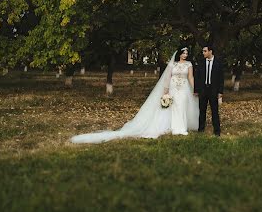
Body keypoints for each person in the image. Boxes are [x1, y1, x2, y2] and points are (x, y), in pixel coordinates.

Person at [70, 48, 199, 143]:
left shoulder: (189, 64)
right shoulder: (173, 64)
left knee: (181, 106)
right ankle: (174, 127)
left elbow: (190, 77)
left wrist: (194, 89)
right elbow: (167, 78)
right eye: (184, 53)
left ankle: (181, 128)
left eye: (187, 53)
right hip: (172, 87)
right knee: (173, 107)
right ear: (179, 54)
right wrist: (165, 91)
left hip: (183, 88)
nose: (185, 55)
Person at [194, 46, 224, 136]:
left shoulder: (218, 63)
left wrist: (220, 92)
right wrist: (196, 90)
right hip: (203, 90)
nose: (203, 53)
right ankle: (201, 130)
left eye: (205, 51)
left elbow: (221, 79)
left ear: (210, 51)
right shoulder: (201, 62)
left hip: (213, 90)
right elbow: (197, 77)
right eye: (203, 51)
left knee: (214, 111)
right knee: (202, 110)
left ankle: (217, 131)